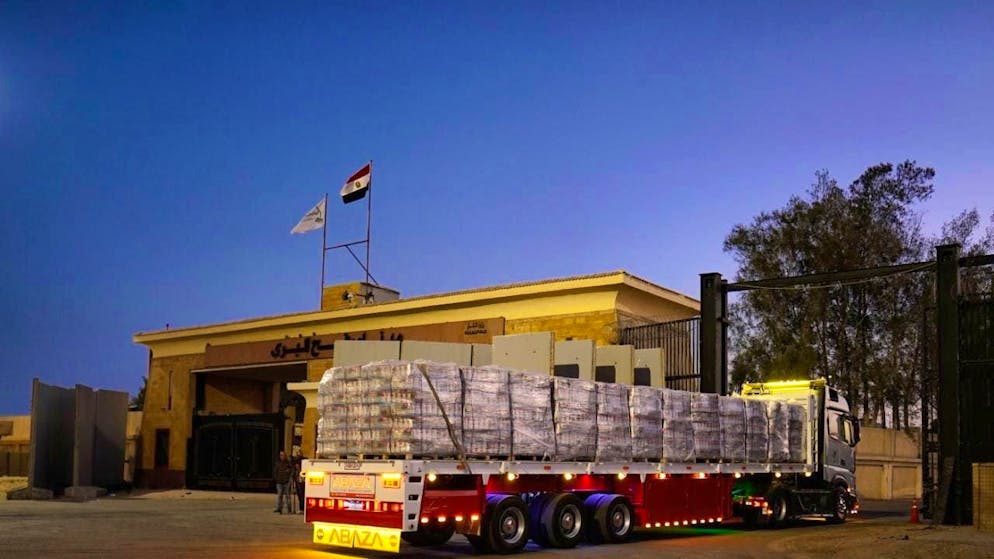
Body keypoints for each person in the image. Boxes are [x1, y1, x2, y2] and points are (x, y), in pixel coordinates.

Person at [292, 449, 305, 514]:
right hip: (297, 479)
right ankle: (301, 508)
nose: (298, 454)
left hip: (302, 480)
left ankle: (302, 508)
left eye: (299, 453)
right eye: (297, 453)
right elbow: (293, 470)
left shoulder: (304, 460)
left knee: (302, 494)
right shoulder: (295, 461)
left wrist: (299, 468)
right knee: (299, 495)